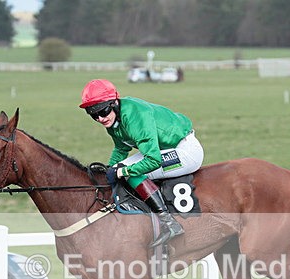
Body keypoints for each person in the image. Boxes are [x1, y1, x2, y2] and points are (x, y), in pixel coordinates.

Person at [79, 78, 204, 247]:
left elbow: (153, 161)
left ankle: (169, 223)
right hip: (167, 149)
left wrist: (121, 172)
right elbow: (121, 149)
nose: (100, 118)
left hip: (186, 152)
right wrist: (108, 170)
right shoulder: (114, 120)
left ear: (114, 102)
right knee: (118, 168)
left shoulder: (135, 116)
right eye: (93, 115)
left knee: (128, 171)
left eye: (103, 111)